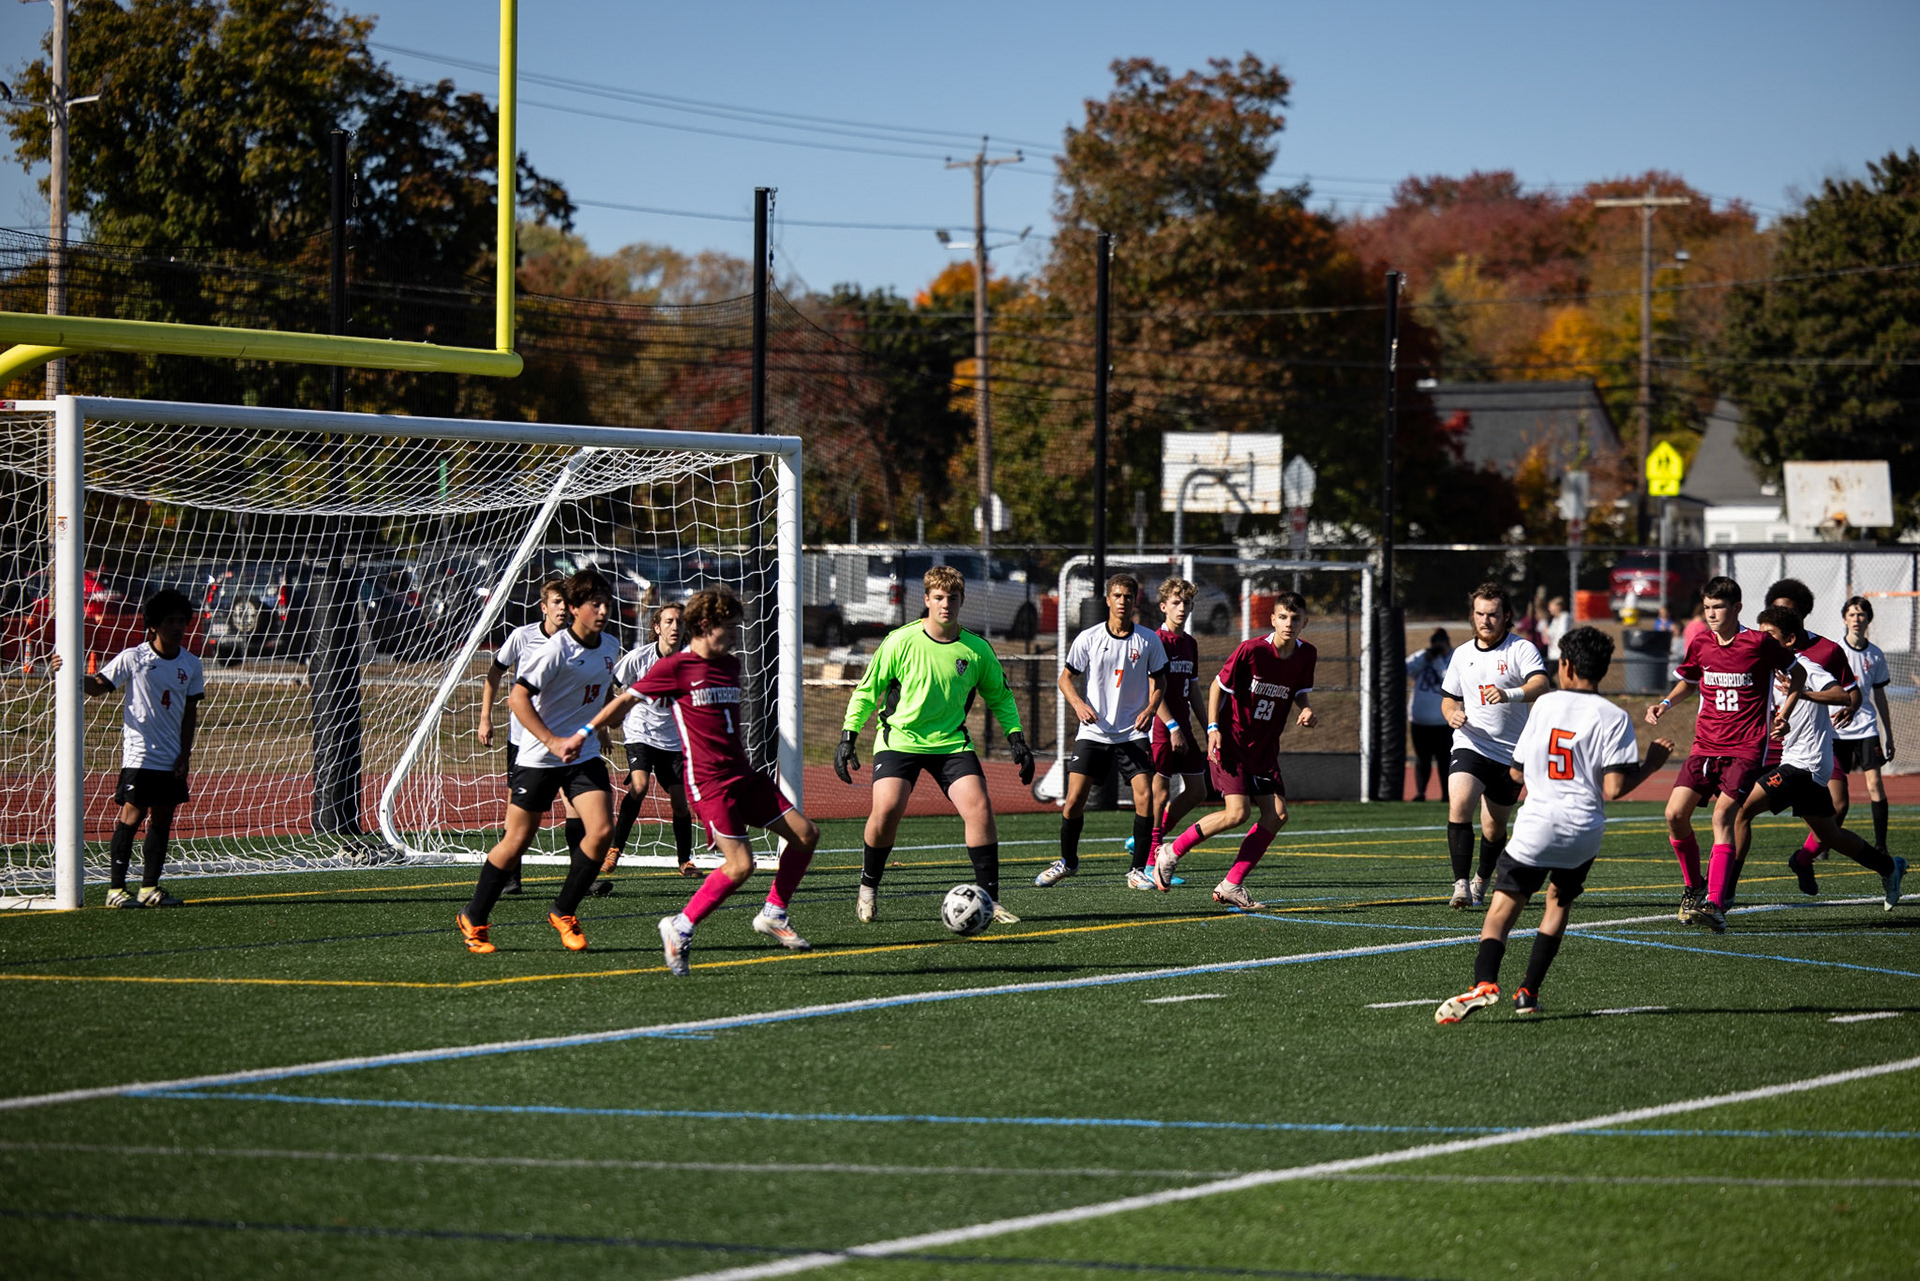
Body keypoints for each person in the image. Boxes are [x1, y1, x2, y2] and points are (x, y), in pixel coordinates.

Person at [1435, 627, 1673, 1022]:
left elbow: (1515, 774)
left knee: (1501, 909)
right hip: (1584, 831)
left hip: (1539, 825)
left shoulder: (1543, 707)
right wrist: (1650, 765)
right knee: (1558, 902)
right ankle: (1528, 992)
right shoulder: (1615, 716)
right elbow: (1613, 788)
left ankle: (1485, 981)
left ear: (1566, 666)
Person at [585, 587, 821, 977]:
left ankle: (774, 913)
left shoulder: (729, 664)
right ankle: (679, 927)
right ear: (706, 625)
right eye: (728, 627)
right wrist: (585, 731)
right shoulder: (674, 667)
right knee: (741, 864)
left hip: (743, 775)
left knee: (806, 834)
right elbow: (625, 701)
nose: (734, 635)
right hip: (710, 784)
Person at [835, 565, 1035, 924]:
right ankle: (867, 889)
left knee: (979, 807)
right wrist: (848, 736)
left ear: (962, 600)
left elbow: (1001, 698)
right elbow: (867, 692)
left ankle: (990, 900)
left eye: (952, 598)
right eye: (939, 598)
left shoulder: (976, 649)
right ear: (926, 600)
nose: (946, 605)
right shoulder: (899, 641)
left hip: (950, 743)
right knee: (888, 809)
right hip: (900, 739)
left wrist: (1016, 739)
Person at [455, 569, 621, 955]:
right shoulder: (553, 650)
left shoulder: (611, 644)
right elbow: (516, 699)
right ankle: (474, 916)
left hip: (583, 754)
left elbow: (604, 692)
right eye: (594, 604)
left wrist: (609, 721)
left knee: (601, 831)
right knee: (517, 841)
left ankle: (563, 911)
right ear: (576, 608)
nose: (603, 610)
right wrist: (552, 740)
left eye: (606, 603)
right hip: (538, 756)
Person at [1647, 575, 1804, 925]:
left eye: (1718, 607)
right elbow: (1688, 681)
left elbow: (1799, 674)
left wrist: (1783, 713)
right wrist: (1664, 704)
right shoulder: (1701, 643)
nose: (1711, 613)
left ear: (1737, 608)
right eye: (1706, 607)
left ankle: (1715, 906)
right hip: (1705, 744)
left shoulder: (1758, 642)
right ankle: (1694, 888)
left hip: (1747, 747)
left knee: (1722, 816)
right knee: (1674, 815)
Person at [1152, 591, 1319, 909]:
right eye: (1283, 617)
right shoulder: (1251, 650)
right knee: (1237, 813)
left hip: (1265, 749)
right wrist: (1213, 728)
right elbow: (1216, 686)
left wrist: (1306, 708)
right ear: (1272, 619)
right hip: (1232, 743)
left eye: (1295, 618)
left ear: (1304, 622)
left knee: (1277, 815)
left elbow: (1299, 691)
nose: (1289, 623)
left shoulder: (1306, 654)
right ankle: (1170, 851)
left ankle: (1231, 884)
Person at [1740, 606, 1904, 921]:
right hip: (1793, 757)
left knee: (1739, 811)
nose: (1763, 640)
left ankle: (1721, 895)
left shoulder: (1812, 661)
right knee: (1829, 834)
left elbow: (1846, 695)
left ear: (1788, 638)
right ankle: (1887, 865)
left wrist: (1805, 695)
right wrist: (1780, 722)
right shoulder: (1768, 667)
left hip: (1808, 761)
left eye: (1769, 635)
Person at [58, 589, 204, 907]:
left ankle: (149, 888)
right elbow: (98, 687)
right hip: (140, 755)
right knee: (132, 813)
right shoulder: (134, 657)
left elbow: (190, 712)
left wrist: (185, 753)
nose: (178, 627)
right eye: (170, 621)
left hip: (172, 757)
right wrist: (68, 671)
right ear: (153, 625)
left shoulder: (192, 665)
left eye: (182, 621)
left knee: (163, 818)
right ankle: (115, 890)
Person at [1035, 574, 1168, 889]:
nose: (1122, 601)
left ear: (1135, 601)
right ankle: (1067, 862)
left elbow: (1162, 681)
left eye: (1128, 596)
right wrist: (1079, 705)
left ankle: (1136, 871)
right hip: (1093, 733)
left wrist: (1150, 710)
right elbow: (1065, 678)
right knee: (1073, 800)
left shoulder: (1149, 640)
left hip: (1132, 733)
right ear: (1108, 599)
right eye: (1117, 595)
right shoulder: (1089, 638)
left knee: (1145, 797)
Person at [1439, 584, 1550, 909]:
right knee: (1459, 805)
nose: (1485, 621)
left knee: (1494, 826)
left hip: (1511, 752)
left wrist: (1509, 693)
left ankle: (1481, 881)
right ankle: (1460, 886)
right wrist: (1452, 715)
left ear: (1506, 616)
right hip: (1471, 743)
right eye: (1479, 614)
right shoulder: (1462, 654)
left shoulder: (1521, 649)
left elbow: (1541, 684)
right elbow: (1449, 698)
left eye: (1492, 615)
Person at [477, 574, 575, 897]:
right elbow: (494, 674)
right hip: (524, 741)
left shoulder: (577, 641)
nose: (562, 608)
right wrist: (485, 718)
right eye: (556, 602)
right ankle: (510, 878)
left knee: (574, 803)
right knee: (517, 807)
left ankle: (581, 878)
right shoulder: (522, 637)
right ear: (543, 607)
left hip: (564, 738)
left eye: (566, 603)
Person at [1761, 577, 1861, 867]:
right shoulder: (1763, 649)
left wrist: (1850, 708)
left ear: (1802, 614)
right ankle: (1723, 887)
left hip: (1815, 743)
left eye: (1788, 611)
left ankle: (1804, 858)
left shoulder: (1826, 651)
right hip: (1775, 743)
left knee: (1839, 804)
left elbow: (1850, 693)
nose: (1782, 616)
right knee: (1737, 808)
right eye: (1776, 610)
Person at [600, 600, 697, 894]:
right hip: (639, 731)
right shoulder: (638, 659)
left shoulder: (692, 661)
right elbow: (608, 685)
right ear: (656, 628)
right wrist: (607, 724)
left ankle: (685, 860)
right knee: (639, 786)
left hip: (673, 739)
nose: (674, 627)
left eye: (679, 622)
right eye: (668, 622)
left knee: (680, 801)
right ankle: (615, 848)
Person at [1145, 577, 1209, 871]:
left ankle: (1150, 838)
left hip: (1184, 727)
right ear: (1163, 607)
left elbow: (1193, 689)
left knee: (1198, 790)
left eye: (1186, 602)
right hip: (1162, 727)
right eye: (1175, 602)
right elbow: (1153, 690)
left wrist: (1210, 726)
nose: (1181, 608)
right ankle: (1150, 859)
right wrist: (1171, 727)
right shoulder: (1155, 641)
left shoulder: (1190, 644)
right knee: (1159, 794)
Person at [1831, 595, 1896, 853]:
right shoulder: (1835, 651)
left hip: (1867, 726)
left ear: (1868, 619)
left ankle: (1880, 844)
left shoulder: (1876, 655)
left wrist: (1888, 734)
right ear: (1844, 619)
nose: (1857, 619)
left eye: (1861, 614)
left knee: (1874, 784)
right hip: (1837, 729)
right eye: (1852, 614)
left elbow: (1879, 696)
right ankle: (1825, 841)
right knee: (1836, 793)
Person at [1405, 628, 1452, 801]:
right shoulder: (1424, 657)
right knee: (1422, 759)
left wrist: (1439, 661)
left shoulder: (1455, 658)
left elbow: (1450, 682)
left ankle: (1447, 794)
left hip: (1443, 720)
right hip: (1419, 719)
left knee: (1445, 759)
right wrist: (1425, 658)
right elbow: (1403, 668)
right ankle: (1420, 793)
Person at [1544, 596, 1571, 663]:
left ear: (1558, 607)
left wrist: (1547, 631)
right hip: (1552, 654)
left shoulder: (1565, 617)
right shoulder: (1554, 620)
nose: (1549, 609)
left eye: (1551, 606)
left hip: (1560, 654)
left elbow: (1562, 633)